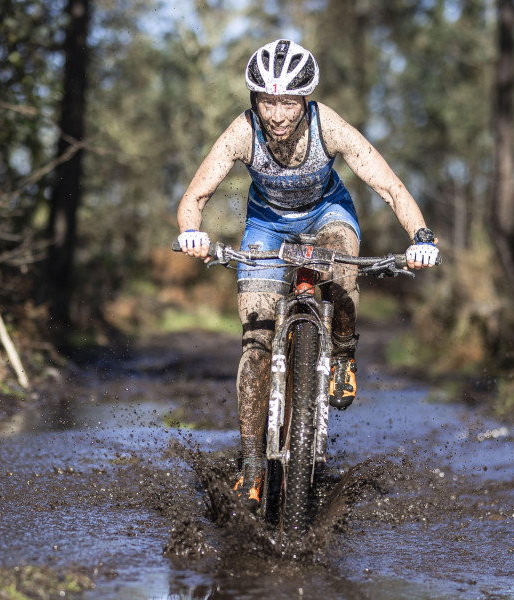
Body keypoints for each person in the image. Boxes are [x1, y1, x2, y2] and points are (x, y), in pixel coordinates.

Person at [176, 39, 438, 510]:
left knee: (340, 268)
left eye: (288, 102)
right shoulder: (242, 132)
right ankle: (253, 464)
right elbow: (194, 197)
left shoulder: (329, 125)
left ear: (306, 99)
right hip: (266, 226)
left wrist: (421, 236)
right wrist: (191, 233)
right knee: (255, 342)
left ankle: (341, 353)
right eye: (267, 101)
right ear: (254, 99)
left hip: (328, 215)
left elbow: (389, 186)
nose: (276, 114)